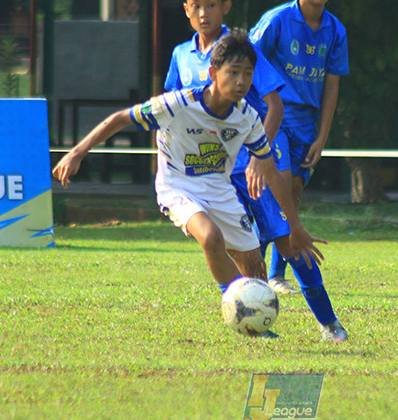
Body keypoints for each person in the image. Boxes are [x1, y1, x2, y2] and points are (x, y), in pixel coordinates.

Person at [52, 31, 325, 338]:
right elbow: (120, 118)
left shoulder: (247, 117)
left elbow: (271, 172)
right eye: (233, 72)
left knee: (254, 267)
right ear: (213, 73)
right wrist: (77, 152)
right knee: (210, 237)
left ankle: (255, 320)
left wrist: (295, 225)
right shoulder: (177, 104)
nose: (241, 82)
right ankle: (240, 309)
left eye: (248, 74)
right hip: (177, 187)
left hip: (219, 188)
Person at [165, 0, 348, 342]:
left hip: (253, 166)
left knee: (290, 242)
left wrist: (256, 156)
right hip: (212, 175)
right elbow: (172, 109)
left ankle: (330, 325)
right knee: (239, 252)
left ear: (226, 7)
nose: (204, 13)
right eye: (196, 6)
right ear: (186, 10)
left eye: (211, 5)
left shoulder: (241, 49)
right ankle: (255, 325)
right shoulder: (181, 55)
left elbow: (274, 105)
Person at [249, 0, 349, 295]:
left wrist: (322, 136)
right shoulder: (276, 21)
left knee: (293, 194)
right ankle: (254, 272)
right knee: (277, 191)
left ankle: (276, 274)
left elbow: (332, 85)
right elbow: (246, 60)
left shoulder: (335, 30)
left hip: (307, 123)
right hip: (275, 116)